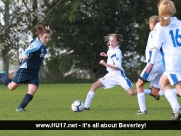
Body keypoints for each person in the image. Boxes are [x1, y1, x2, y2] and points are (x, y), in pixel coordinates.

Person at [83, 34, 153, 110]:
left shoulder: (117, 52)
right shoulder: (110, 49)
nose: (111, 43)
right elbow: (111, 56)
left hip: (119, 75)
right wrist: (106, 55)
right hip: (110, 75)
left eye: (113, 41)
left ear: (118, 42)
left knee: (131, 93)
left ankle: (150, 91)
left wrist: (105, 63)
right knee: (94, 85)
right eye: (110, 41)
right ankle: (86, 107)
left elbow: (117, 67)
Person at [0, 25, 51, 112]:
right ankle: (2, 74)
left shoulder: (41, 42)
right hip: (25, 70)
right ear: (40, 36)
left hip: (34, 72)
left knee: (33, 89)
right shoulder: (36, 45)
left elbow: (37, 38)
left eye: (48, 38)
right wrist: (24, 55)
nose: (47, 40)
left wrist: (47, 30)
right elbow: (26, 50)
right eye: (45, 38)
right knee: (11, 87)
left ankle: (20, 108)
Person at [148, 0, 181, 121]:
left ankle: (177, 109)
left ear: (161, 11)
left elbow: (155, 46)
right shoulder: (180, 23)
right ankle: (176, 110)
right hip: (178, 59)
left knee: (178, 86)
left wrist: (151, 62)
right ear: (173, 10)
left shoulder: (160, 26)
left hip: (172, 60)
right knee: (163, 83)